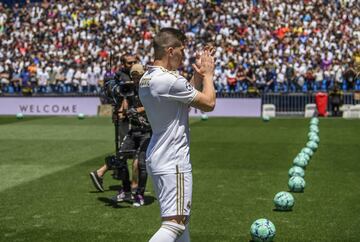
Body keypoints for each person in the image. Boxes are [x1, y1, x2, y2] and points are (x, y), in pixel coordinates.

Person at [139, 28, 215, 242]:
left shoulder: (148, 78)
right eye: (181, 50)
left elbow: (182, 98)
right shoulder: (169, 80)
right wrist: (208, 75)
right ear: (170, 51)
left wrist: (197, 76)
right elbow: (208, 103)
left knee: (181, 222)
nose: (184, 55)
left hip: (158, 155)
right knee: (174, 224)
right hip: (173, 159)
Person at [90, 64, 150, 207]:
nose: (135, 79)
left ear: (143, 75)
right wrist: (120, 113)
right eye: (133, 76)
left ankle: (139, 194)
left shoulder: (149, 89)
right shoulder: (129, 88)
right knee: (120, 158)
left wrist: (137, 110)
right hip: (133, 129)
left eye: (138, 76)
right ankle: (127, 191)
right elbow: (124, 104)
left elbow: (154, 105)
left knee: (142, 163)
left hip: (147, 131)